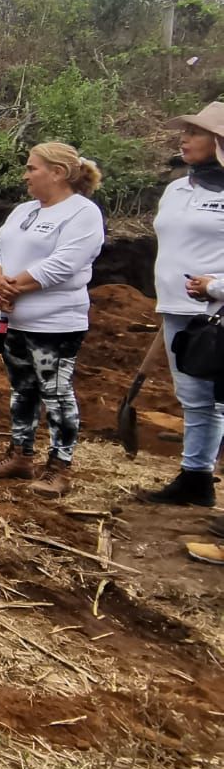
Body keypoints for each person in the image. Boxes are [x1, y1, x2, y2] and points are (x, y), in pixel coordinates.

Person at [0, 144, 107, 498]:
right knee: (22, 391)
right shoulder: (24, 211)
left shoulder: (82, 213)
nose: (25, 175)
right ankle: (20, 455)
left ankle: (59, 467)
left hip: (55, 324)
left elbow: (64, 263)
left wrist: (11, 287)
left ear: (58, 172)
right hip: (14, 319)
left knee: (56, 393)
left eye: (32, 168)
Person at [141, 102, 224, 509]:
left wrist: (217, 286)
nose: (184, 138)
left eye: (195, 132)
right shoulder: (177, 189)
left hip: (218, 312)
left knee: (220, 398)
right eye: (185, 131)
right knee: (194, 397)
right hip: (179, 311)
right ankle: (196, 477)